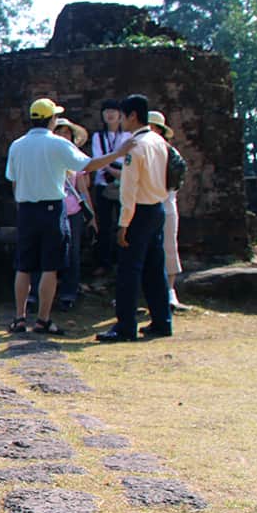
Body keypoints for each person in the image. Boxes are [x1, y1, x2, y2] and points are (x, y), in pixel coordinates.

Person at [5, 98, 128, 335]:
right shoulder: (58, 144)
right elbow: (88, 165)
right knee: (50, 267)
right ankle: (42, 319)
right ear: (51, 119)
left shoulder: (17, 145)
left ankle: (19, 318)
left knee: (24, 266)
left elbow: (14, 180)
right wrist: (118, 154)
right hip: (51, 208)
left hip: (26, 210)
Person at [96, 95, 172, 343]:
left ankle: (125, 325)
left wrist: (123, 224)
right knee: (154, 268)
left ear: (132, 116)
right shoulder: (159, 141)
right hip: (157, 207)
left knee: (129, 270)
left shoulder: (135, 146)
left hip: (138, 211)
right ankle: (162, 321)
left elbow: (129, 189)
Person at [147, 111, 186, 309]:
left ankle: (170, 291)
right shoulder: (140, 149)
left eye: (154, 127)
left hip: (165, 203)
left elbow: (174, 181)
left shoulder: (171, 153)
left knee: (169, 247)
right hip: (144, 206)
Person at [52, 117, 92, 310]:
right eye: (59, 132)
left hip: (73, 210)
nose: (63, 136)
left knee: (73, 253)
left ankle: (69, 293)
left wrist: (91, 215)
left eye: (66, 132)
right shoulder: (47, 155)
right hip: (52, 209)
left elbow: (83, 188)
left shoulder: (76, 157)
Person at [89, 99, 130, 276]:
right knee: (104, 225)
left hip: (124, 184)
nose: (110, 115)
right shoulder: (98, 136)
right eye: (106, 112)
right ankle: (104, 263)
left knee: (124, 223)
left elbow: (127, 160)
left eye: (113, 111)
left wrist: (112, 167)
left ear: (120, 114)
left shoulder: (128, 136)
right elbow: (97, 161)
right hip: (103, 183)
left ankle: (123, 262)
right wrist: (111, 169)